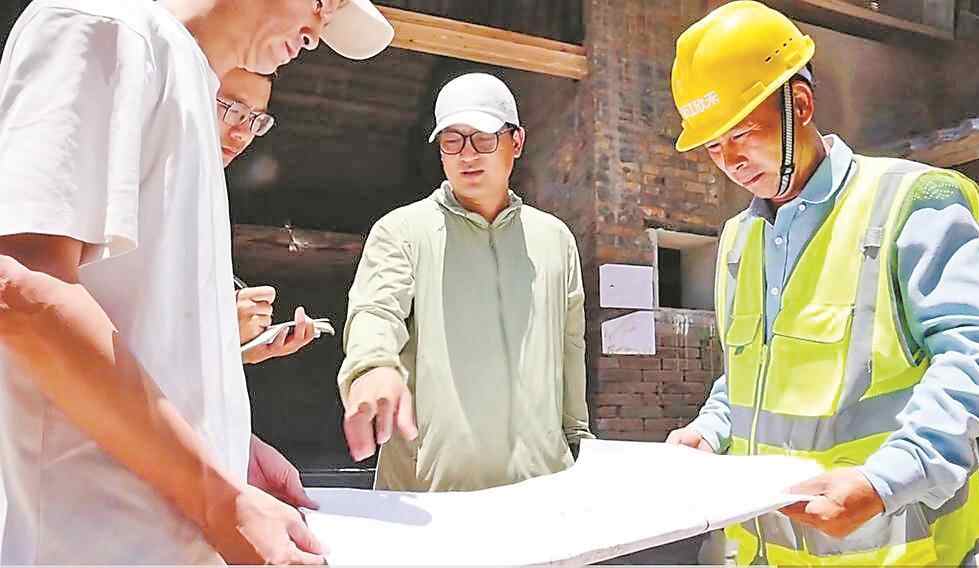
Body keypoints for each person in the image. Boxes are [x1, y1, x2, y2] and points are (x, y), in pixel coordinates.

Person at [0, 0, 392, 564]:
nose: (315, 32)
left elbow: (139, 330)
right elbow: (23, 289)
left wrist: (226, 447)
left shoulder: (184, 78)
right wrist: (221, 503)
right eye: (322, 3)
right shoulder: (106, 24)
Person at [665, 2, 979, 565]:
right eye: (714, 146)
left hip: (905, 552)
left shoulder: (910, 204)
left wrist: (885, 480)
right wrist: (713, 426)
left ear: (799, 105)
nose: (731, 161)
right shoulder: (738, 240)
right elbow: (751, 376)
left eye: (742, 133)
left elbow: (978, 356)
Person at [338, 72, 594, 491]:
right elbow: (375, 310)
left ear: (517, 142)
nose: (467, 155)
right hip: (432, 492)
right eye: (451, 141)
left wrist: (578, 437)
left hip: (544, 487)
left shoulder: (555, 239)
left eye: (483, 138)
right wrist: (372, 365)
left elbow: (570, 346)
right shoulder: (402, 231)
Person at [214, 67, 318, 365]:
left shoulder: (210, 189)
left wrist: (243, 350)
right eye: (233, 111)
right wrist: (217, 330)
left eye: (255, 120)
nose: (242, 134)